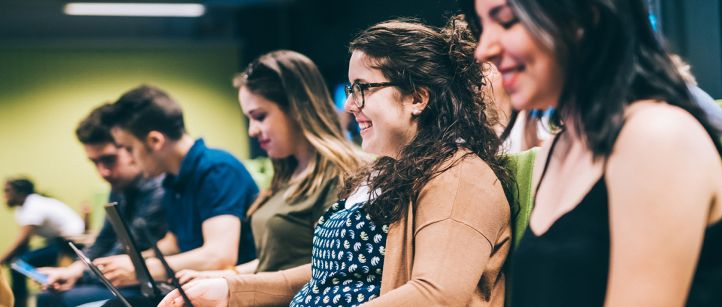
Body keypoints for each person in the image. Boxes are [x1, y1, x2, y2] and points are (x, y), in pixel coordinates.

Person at [159, 15, 514, 307]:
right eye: (349, 89)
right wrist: (229, 290)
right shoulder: (388, 174)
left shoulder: (459, 176)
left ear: (417, 98)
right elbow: (325, 275)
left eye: (363, 88)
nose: (349, 105)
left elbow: (437, 296)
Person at [465, 0, 722, 305]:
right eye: (482, 26)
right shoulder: (557, 149)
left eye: (506, 21)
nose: (483, 49)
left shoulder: (657, 136)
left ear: (585, 16)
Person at [176, 50, 367, 284]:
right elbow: (276, 261)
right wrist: (227, 275)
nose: (252, 130)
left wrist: (234, 285)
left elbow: (332, 267)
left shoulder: (341, 173)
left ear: (296, 108)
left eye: (260, 116)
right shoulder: (288, 173)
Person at [97, 85, 259, 303]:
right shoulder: (172, 179)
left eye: (129, 149)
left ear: (155, 141)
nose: (128, 159)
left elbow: (219, 255)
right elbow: (174, 242)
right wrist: (130, 261)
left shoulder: (217, 169)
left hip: (230, 294)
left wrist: (142, 269)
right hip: (191, 287)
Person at [35, 103, 168, 307]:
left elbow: (122, 254)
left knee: (54, 300)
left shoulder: (159, 188)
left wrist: (78, 273)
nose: (103, 172)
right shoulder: (119, 188)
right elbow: (104, 240)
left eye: (109, 160)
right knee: (49, 296)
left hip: (146, 283)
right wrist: (74, 269)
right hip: (117, 277)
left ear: (132, 148)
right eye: (95, 162)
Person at [0, 178, 84, 307]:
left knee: (18, 265)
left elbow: (22, 240)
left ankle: (19, 304)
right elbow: (24, 244)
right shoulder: (22, 209)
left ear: (20, 192)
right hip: (57, 242)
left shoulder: (33, 204)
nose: (5, 195)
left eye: (8, 191)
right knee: (18, 263)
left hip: (71, 242)